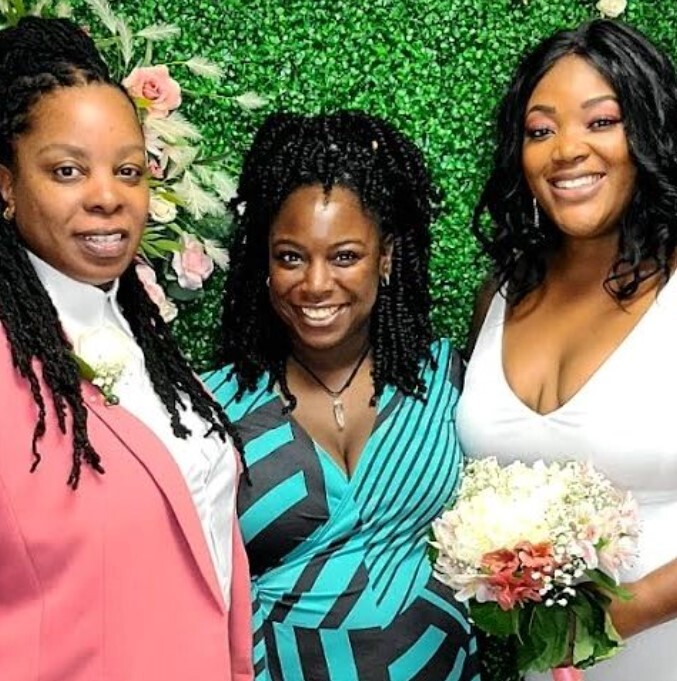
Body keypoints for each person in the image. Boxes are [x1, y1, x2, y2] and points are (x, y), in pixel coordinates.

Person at [0, 16, 252, 681]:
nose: (108, 197)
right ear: (5, 185)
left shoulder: (145, 342)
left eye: (129, 170)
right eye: (66, 170)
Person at [204, 111, 480, 681]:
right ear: (264, 264)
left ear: (386, 259)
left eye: (345, 256)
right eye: (291, 257)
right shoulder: (213, 407)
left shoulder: (449, 380)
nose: (316, 284)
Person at [457, 18, 677, 681]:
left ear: (650, 133)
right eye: (539, 130)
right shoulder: (498, 295)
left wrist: (608, 619)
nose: (565, 150)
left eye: (600, 121)